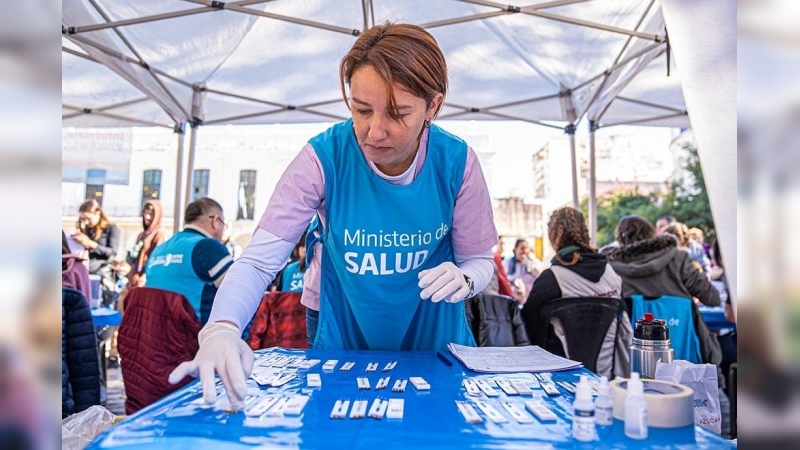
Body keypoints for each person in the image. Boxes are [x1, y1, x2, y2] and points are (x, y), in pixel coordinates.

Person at [169, 23, 498, 410]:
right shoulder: (323, 157)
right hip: (343, 325)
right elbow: (259, 261)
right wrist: (222, 328)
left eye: (398, 114)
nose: (375, 132)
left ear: (433, 106)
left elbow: (480, 260)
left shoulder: (457, 162)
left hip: (433, 334)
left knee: (436, 425)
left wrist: (466, 278)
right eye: (362, 110)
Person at [521, 207, 630, 378]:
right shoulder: (612, 275)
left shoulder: (551, 278)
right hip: (604, 379)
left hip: (556, 379)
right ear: (585, 233)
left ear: (552, 237)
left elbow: (527, 326)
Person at [145, 198, 234, 324]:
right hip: (192, 333)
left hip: (154, 330)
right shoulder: (208, 248)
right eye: (223, 225)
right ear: (215, 221)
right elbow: (239, 293)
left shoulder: (158, 250)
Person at [73, 199, 120, 304]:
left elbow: (112, 252)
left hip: (102, 276)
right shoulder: (86, 229)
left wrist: (92, 244)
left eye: (88, 218)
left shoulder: (111, 228)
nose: (86, 222)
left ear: (98, 213)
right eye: (83, 219)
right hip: (85, 274)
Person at [126, 200, 167, 288]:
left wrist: (146, 276)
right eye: (146, 213)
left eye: (151, 214)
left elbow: (157, 258)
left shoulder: (159, 234)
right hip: (135, 277)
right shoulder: (142, 234)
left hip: (146, 279)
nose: (147, 217)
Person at [503, 238, 540, 304]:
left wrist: (527, 264)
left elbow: (540, 277)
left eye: (526, 248)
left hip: (530, 300)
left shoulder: (533, 263)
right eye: (522, 248)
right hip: (513, 301)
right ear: (515, 249)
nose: (524, 251)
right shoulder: (507, 263)